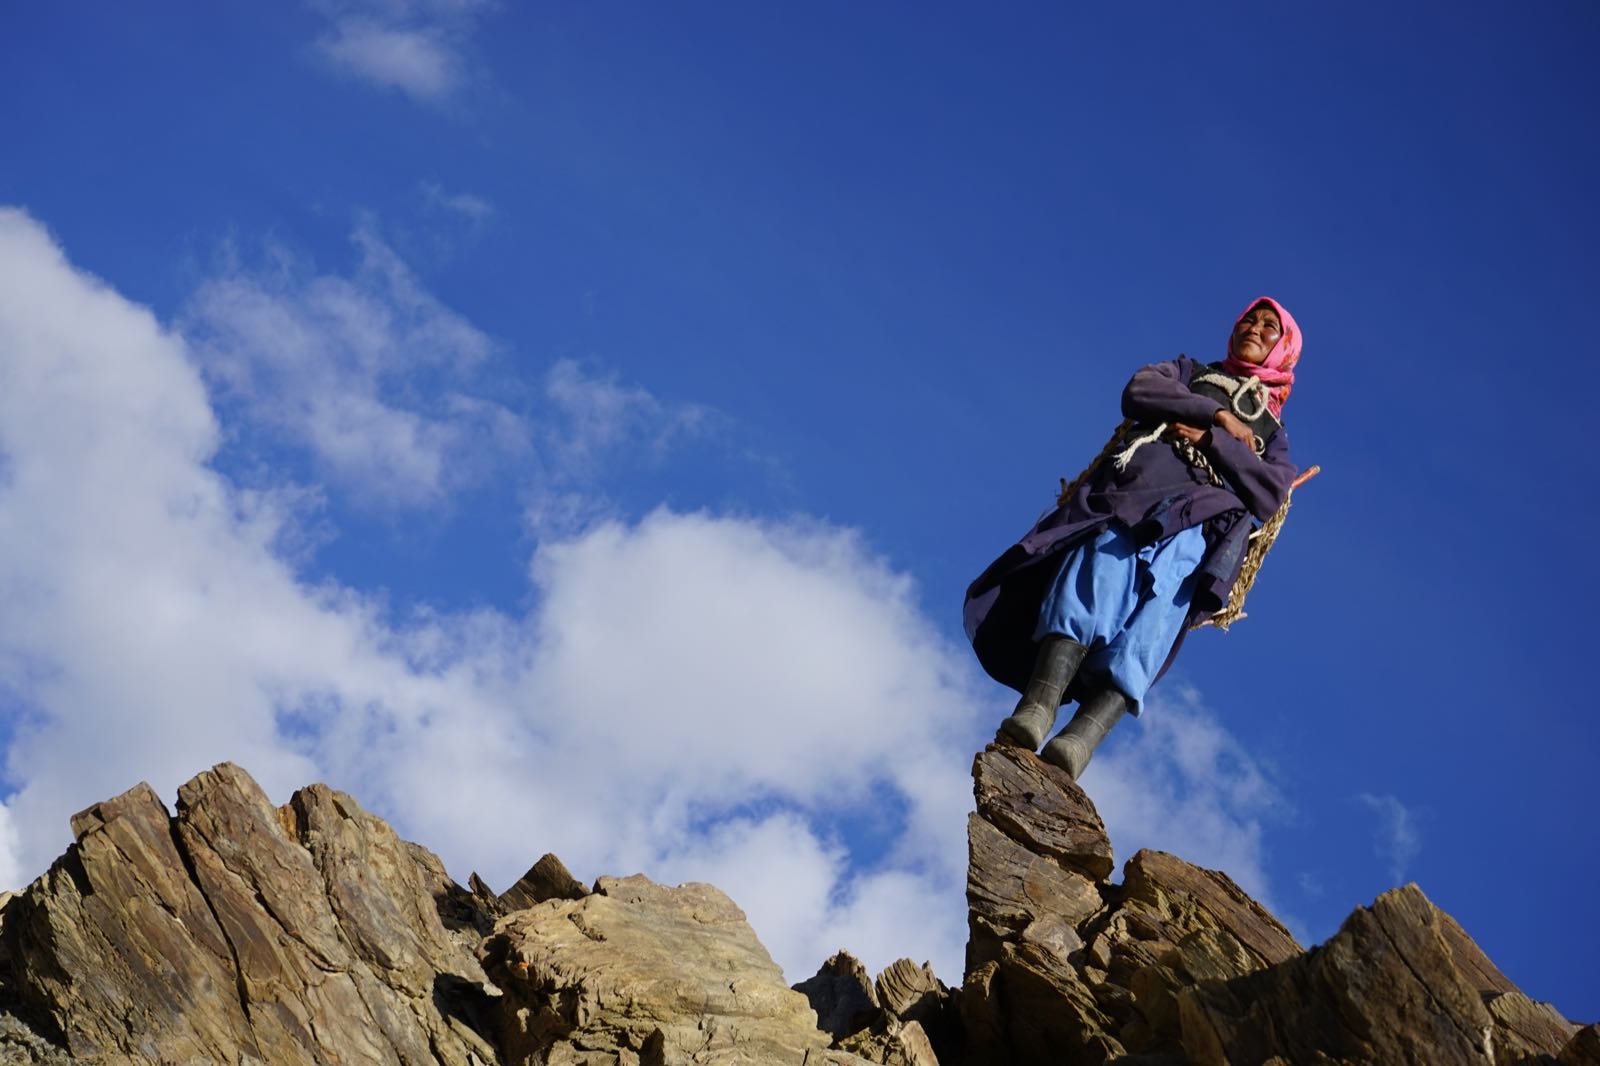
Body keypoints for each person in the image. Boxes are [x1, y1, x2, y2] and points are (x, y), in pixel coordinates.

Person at [962, 297, 1302, 779]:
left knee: (1152, 626)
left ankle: (1079, 741)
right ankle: (1037, 710)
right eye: (1251, 318)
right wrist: (1218, 414)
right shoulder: (1192, 371)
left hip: (1202, 530)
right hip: (1136, 494)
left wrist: (1211, 441)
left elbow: (1270, 492)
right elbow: (1141, 389)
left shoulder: (1274, 432)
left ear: (1284, 349)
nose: (1255, 327)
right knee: (1095, 578)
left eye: (1271, 327)